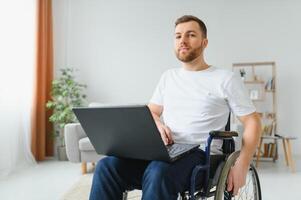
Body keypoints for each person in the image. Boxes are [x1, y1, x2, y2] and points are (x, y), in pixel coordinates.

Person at [89, 15, 261, 200]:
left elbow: (253, 122)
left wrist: (242, 164)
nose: (183, 41)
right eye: (178, 36)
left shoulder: (225, 78)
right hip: (164, 152)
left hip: (202, 155)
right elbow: (152, 112)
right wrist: (157, 124)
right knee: (106, 167)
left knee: (158, 172)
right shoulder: (168, 77)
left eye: (190, 35)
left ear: (204, 42)